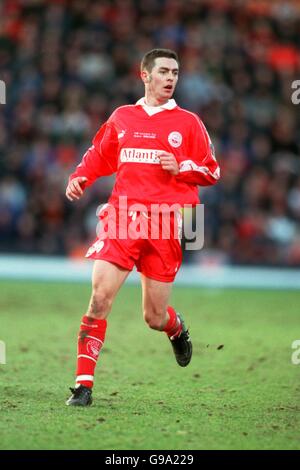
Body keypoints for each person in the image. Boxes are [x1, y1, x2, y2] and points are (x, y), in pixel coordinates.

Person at [65, 48, 220, 406]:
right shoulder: (122, 117)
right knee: (99, 298)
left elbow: (212, 171)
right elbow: (99, 155)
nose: (171, 78)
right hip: (121, 220)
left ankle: (176, 328)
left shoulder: (189, 123)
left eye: (176, 73)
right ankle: (83, 386)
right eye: (164, 71)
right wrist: (80, 177)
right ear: (145, 75)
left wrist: (181, 167)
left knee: (153, 316)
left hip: (165, 225)